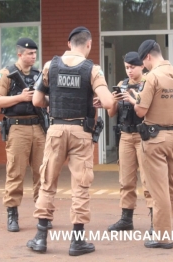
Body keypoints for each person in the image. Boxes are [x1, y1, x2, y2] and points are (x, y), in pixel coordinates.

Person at [26, 26, 114, 256]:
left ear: (69, 44)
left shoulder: (49, 66)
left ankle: (40, 237)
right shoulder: (92, 69)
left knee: (47, 182)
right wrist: (98, 99)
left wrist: (53, 102)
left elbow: (37, 100)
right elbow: (107, 102)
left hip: (55, 130)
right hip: (80, 132)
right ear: (89, 45)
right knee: (80, 185)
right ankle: (77, 241)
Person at [133, 40, 173, 249]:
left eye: (143, 62)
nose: (144, 66)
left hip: (154, 139)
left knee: (158, 191)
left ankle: (163, 237)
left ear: (148, 56)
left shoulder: (152, 77)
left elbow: (140, 111)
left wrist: (134, 100)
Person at [0, 37, 48, 233]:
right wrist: (21, 97)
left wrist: (43, 98)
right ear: (19, 54)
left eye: (35, 53)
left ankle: (42, 214)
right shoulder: (7, 73)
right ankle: (12, 213)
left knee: (42, 172)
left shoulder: (39, 74)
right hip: (17, 128)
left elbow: (48, 99)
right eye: (30, 54)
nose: (33, 57)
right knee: (15, 172)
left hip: (38, 127)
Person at [106, 52, 153, 233]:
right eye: (126, 67)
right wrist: (114, 101)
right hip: (125, 135)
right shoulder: (121, 85)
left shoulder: (149, 83)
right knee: (126, 179)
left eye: (132, 67)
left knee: (148, 179)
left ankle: (154, 219)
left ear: (142, 66)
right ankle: (126, 218)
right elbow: (111, 113)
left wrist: (134, 99)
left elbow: (150, 110)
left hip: (143, 135)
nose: (129, 71)